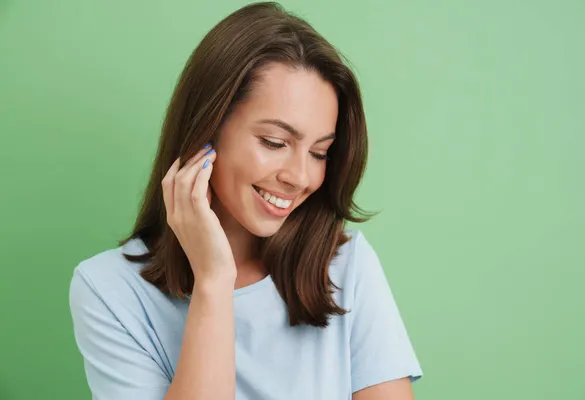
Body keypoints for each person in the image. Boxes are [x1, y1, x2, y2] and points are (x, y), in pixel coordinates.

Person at [68, 2, 423, 399]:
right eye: (275, 142)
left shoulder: (346, 268)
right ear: (207, 127)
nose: (300, 177)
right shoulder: (109, 290)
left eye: (319, 152)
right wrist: (214, 282)